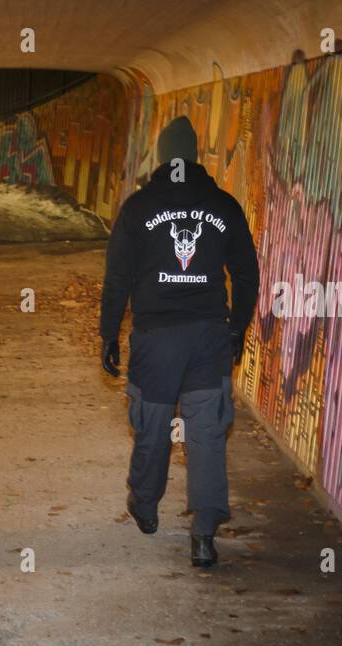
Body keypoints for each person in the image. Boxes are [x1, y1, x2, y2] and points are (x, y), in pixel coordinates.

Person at [99, 116, 259, 567]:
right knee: (206, 433)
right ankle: (204, 534)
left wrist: (109, 333)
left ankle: (145, 507)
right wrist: (237, 328)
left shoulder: (137, 208)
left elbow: (117, 280)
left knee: (152, 426)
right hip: (209, 335)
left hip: (156, 341)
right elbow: (247, 273)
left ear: (162, 155)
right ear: (193, 156)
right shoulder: (223, 206)